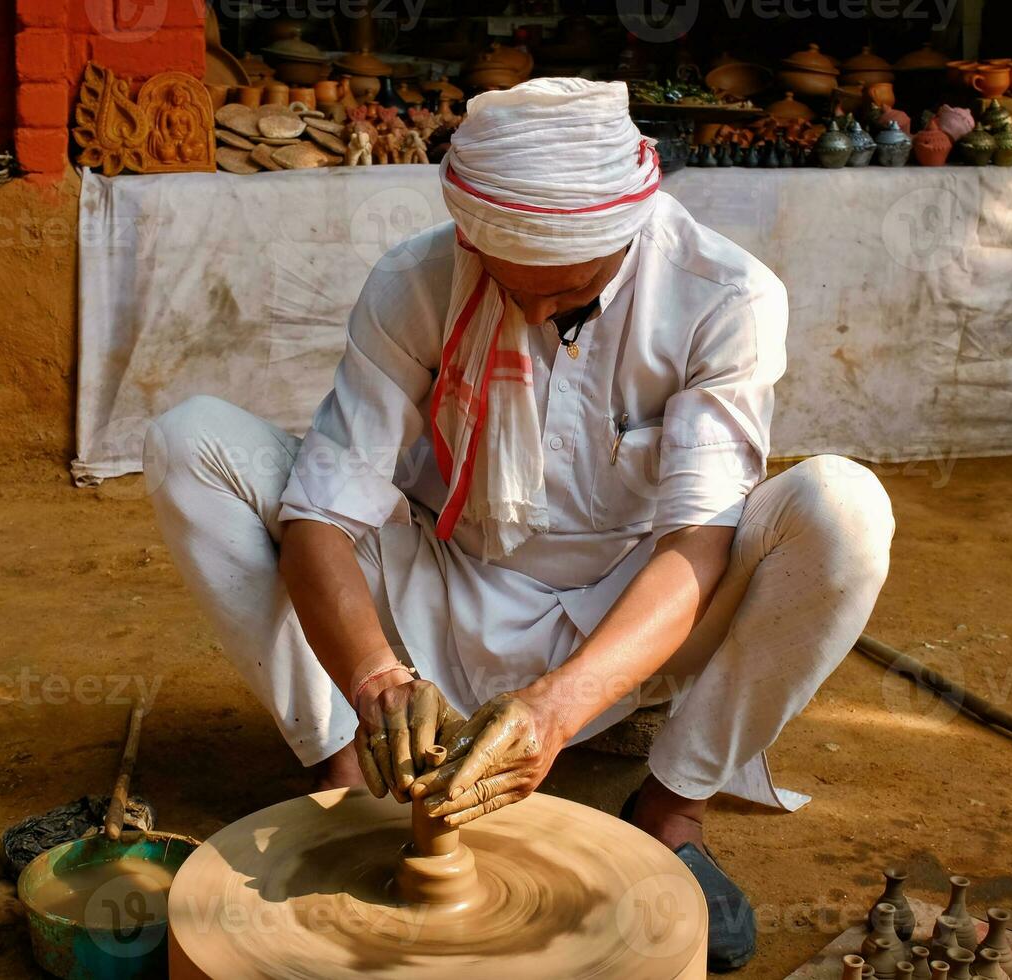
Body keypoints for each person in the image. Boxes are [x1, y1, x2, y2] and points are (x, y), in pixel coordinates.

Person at [146, 77, 894, 972]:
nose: (538, 317)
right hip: (439, 585)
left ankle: (671, 809)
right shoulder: (419, 280)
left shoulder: (723, 297)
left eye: (570, 295)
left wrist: (561, 702)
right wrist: (376, 676)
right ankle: (344, 776)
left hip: (632, 608)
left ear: (625, 235)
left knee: (844, 510)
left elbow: (698, 542)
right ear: (473, 239)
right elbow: (322, 517)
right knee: (190, 442)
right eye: (513, 290)